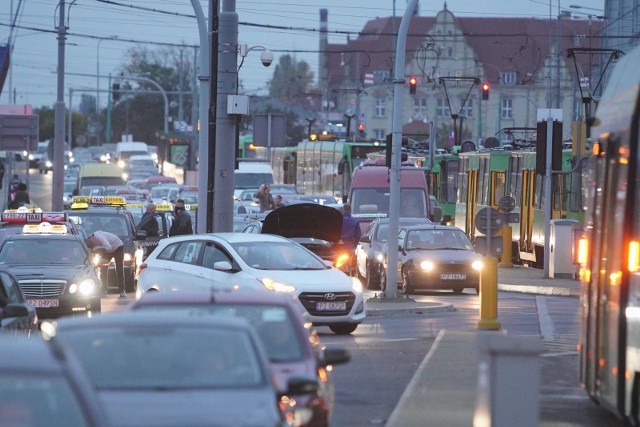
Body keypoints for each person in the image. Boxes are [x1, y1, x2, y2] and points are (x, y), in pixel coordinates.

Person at [85, 231, 126, 298]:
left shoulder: (100, 237)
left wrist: (98, 249)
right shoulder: (92, 239)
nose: (95, 246)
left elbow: (109, 248)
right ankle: (104, 290)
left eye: (94, 245)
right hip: (107, 249)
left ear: (93, 239)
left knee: (119, 268)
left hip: (117, 247)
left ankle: (122, 290)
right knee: (103, 269)